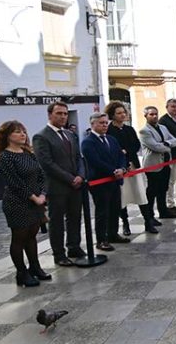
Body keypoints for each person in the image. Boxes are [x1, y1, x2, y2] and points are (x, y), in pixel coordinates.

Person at [0, 121, 50, 286]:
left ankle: (35, 267)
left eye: (23, 131)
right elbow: (15, 182)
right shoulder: (4, 157)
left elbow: (41, 174)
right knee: (19, 237)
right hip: (17, 202)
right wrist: (34, 197)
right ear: (7, 136)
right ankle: (21, 273)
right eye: (17, 132)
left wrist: (42, 194)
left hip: (36, 201)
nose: (22, 134)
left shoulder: (28, 152)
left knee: (32, 235)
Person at [33, 101, 85, 267]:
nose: (63, 116)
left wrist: (80, 176)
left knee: (75, 217)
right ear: (50, 115)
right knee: (56, 222)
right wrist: (70, 178)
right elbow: (47, 163)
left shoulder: (70, 135)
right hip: (57, 187)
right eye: (59, 113)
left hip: (75, 185)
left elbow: (78, 158)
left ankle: (74, 246)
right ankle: (59, 254)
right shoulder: (41, 136)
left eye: (65, 113)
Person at [81, 112, 129, 251]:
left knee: (115, 208)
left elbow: (121, 155)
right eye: (101, 123)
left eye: (106, 122)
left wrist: (122, 168)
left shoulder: (111, 139)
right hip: (100, 181)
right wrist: (113, 171)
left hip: (115, 181)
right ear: (93, 124)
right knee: (102, 212)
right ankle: (101, 239)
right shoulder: (88, 142)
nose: (104, 125)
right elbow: (95, 161)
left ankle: (113, 234)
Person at [139, 106, 176, 233]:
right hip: (153, 164)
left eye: (156, 114)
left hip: (166, 163)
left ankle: (163, 210)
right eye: (151, 114)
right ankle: (149, 216)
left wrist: (167, 143)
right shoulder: (144, 131)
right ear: (146, 116)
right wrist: (167, 145)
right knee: (152, 191)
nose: (154, 116)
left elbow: (175, 140)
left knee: (163, 188)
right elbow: (156, 147)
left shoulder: (163, 127)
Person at [105, 101, 142, 236]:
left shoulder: (129, 129)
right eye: (119, 113)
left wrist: (127, 151)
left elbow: (136, 145)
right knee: (123, 197)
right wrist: (122, 154)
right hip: (119, 167)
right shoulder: (109, 130)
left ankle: (148, 220)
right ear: (112, 115)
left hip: (133, 164)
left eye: (123, 112)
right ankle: (125, 222)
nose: (122, 115)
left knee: (140, 192)